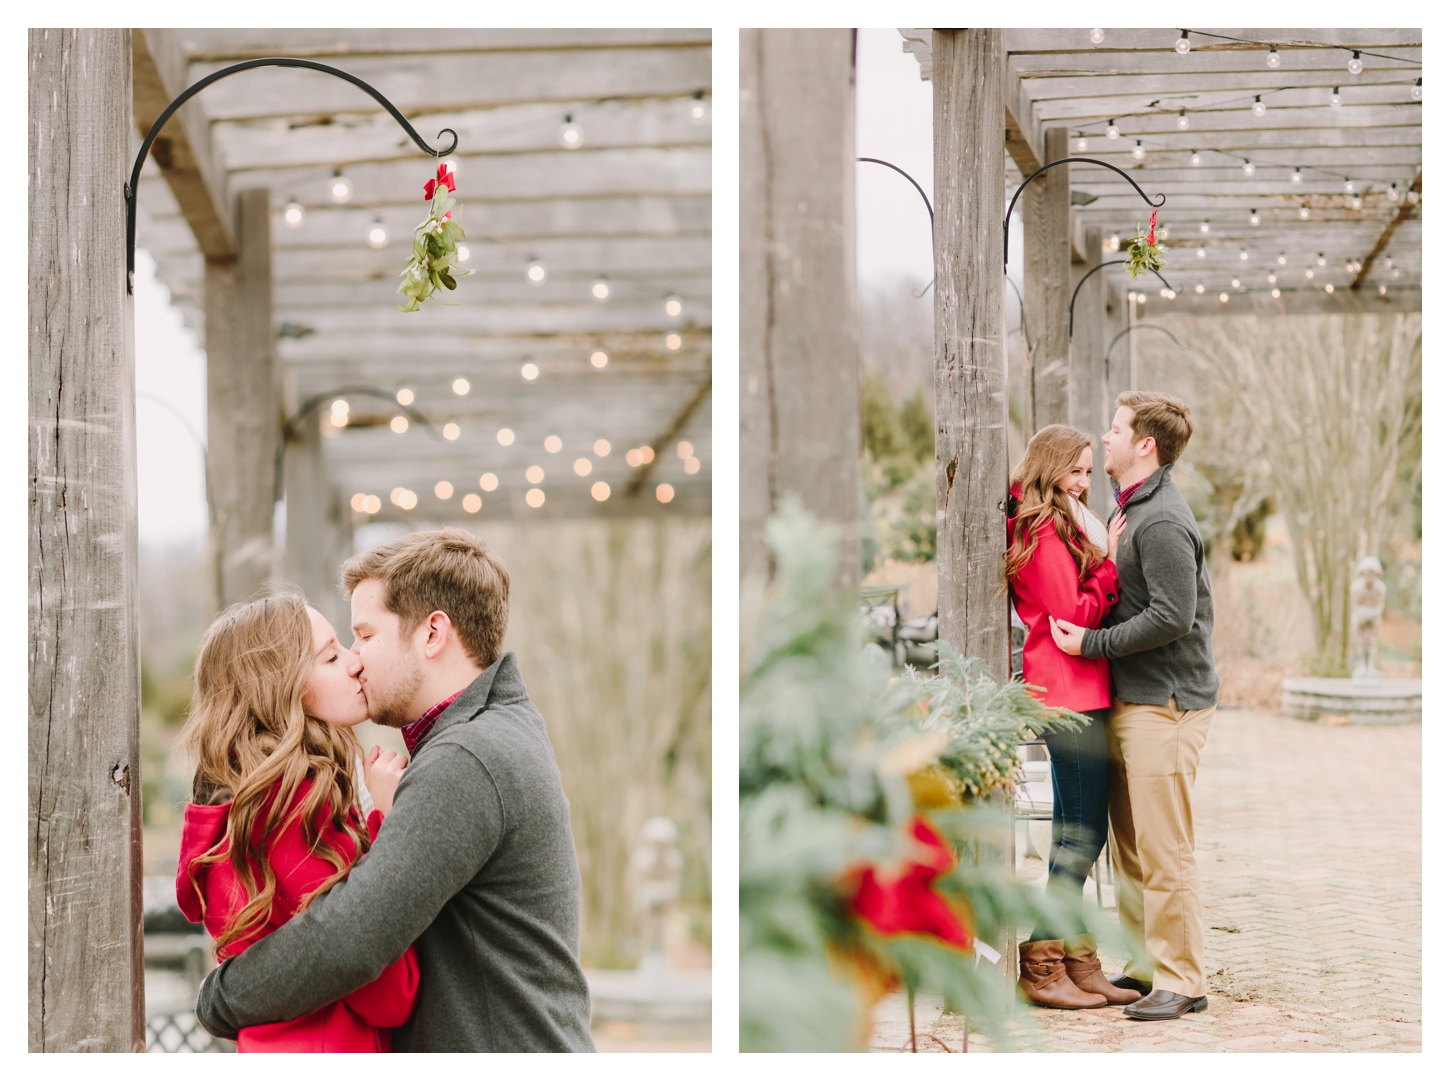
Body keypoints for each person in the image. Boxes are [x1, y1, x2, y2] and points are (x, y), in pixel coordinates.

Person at [195, 528, 595, 1051]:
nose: (355, 658)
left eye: (364, 634)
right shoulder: (495, 728)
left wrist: (219, 998)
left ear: (432, 634)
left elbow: (350, 938)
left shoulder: (466, 758)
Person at [177, 593, 419, 1052]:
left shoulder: (247, 806)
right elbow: (390, 997)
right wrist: (390, 821)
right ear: (279, 688)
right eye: (331, 656)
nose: (355, 663)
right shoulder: (294, 811)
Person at [1050, 391, 1220, 1022]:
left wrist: (1091, 642)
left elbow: (1173, 617)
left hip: (1167, 705)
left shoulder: (1164, 520)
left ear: (1145, 444)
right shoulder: (1131, 510)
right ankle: (1150, 967)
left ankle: (1185, 979)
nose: (1106, 436)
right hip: (1131, 700)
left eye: (1117, 429)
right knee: (1130, 847)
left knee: (1163, 847)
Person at [1005, 424, 1139, 1010]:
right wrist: (1107, 566)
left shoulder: (1061, 521)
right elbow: (1069, 617)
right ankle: (1040, 964)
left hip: (1081, 689)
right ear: (1049, 467)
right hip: (1067, 693)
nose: (1085, 483)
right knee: (1080, 838)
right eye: (1076, 471)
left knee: (1078, 832)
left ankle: (1077, 958)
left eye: (1090, 471)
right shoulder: (1039, 527)